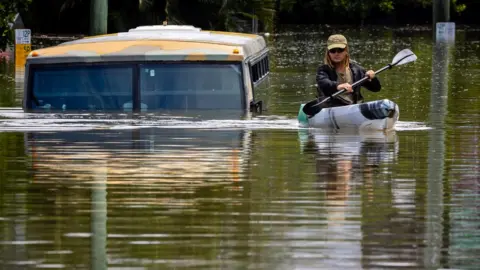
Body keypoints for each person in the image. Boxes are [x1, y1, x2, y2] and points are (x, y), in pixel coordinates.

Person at [316, 34, 381, 107]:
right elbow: (323, 83)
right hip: (332, 107)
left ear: (346, 51)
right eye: (333, 51)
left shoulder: (357, 70)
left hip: (354, 107)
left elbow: (376, 88)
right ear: (328, 53)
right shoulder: (323, 70)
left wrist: (373, 78)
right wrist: (338, 86)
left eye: (340, 50)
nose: (336, 54)